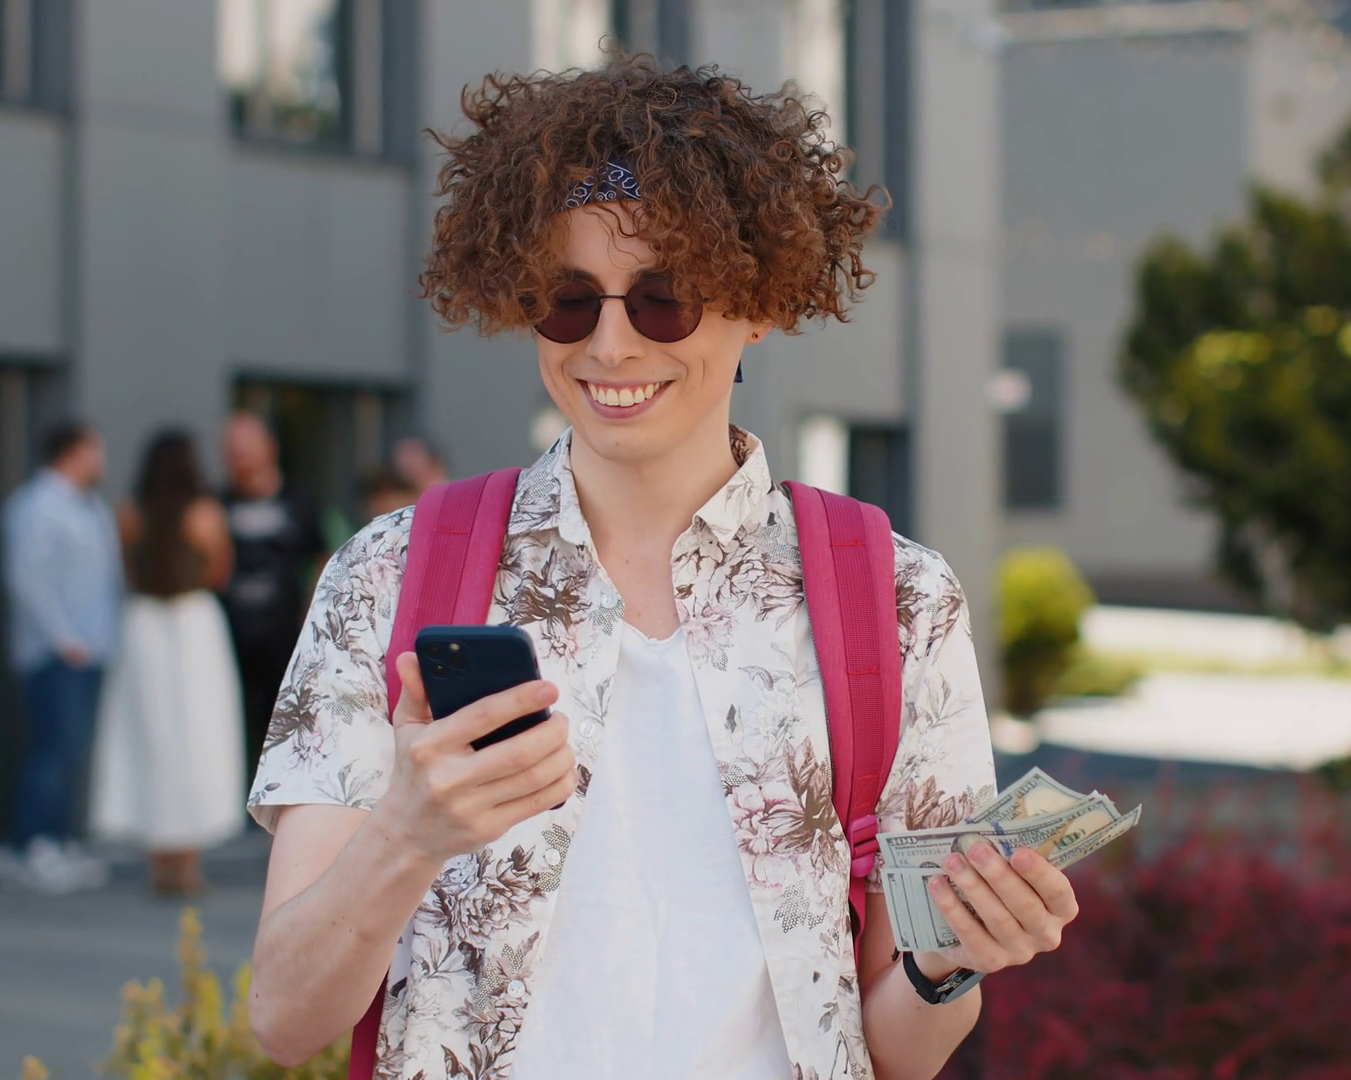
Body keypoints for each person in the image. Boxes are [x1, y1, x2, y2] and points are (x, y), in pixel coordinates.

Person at [246, 58, 1080, 1080]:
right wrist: (406, 837)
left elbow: (896, 1052)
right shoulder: (387, 574)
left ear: (761, 302)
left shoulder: (899, 603)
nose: (609, 344)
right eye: (567, 300)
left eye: (664, 298)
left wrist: (950, 961)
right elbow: (285, 1018)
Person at [90, 430, 248, 895]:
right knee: (197, 735)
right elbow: (219, 569)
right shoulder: (204, 512)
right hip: (192, 622)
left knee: (149, 734)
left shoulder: (130, 512)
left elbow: (125, 568)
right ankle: (187, 859)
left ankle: (158, 859)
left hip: (143, 624)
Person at [0, 421, 120, 894]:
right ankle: (35, 846)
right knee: (50, 749)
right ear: (74, 452)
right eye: (95, 450)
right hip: (56, 653)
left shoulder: (88, 506)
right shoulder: (36, 506)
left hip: (88, 650)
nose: (101, 460)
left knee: (71, 751)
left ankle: (61, 841)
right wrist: (63, 637)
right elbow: (26, 578)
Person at [219, 413, 326, 785]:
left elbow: (323, 558)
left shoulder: (300, 501)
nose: (239, 457)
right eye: (232, 449)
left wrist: (310, 616)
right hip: (230, 640)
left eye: (246, 448)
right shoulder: (218, 503)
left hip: (284, 641)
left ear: (269, 448)